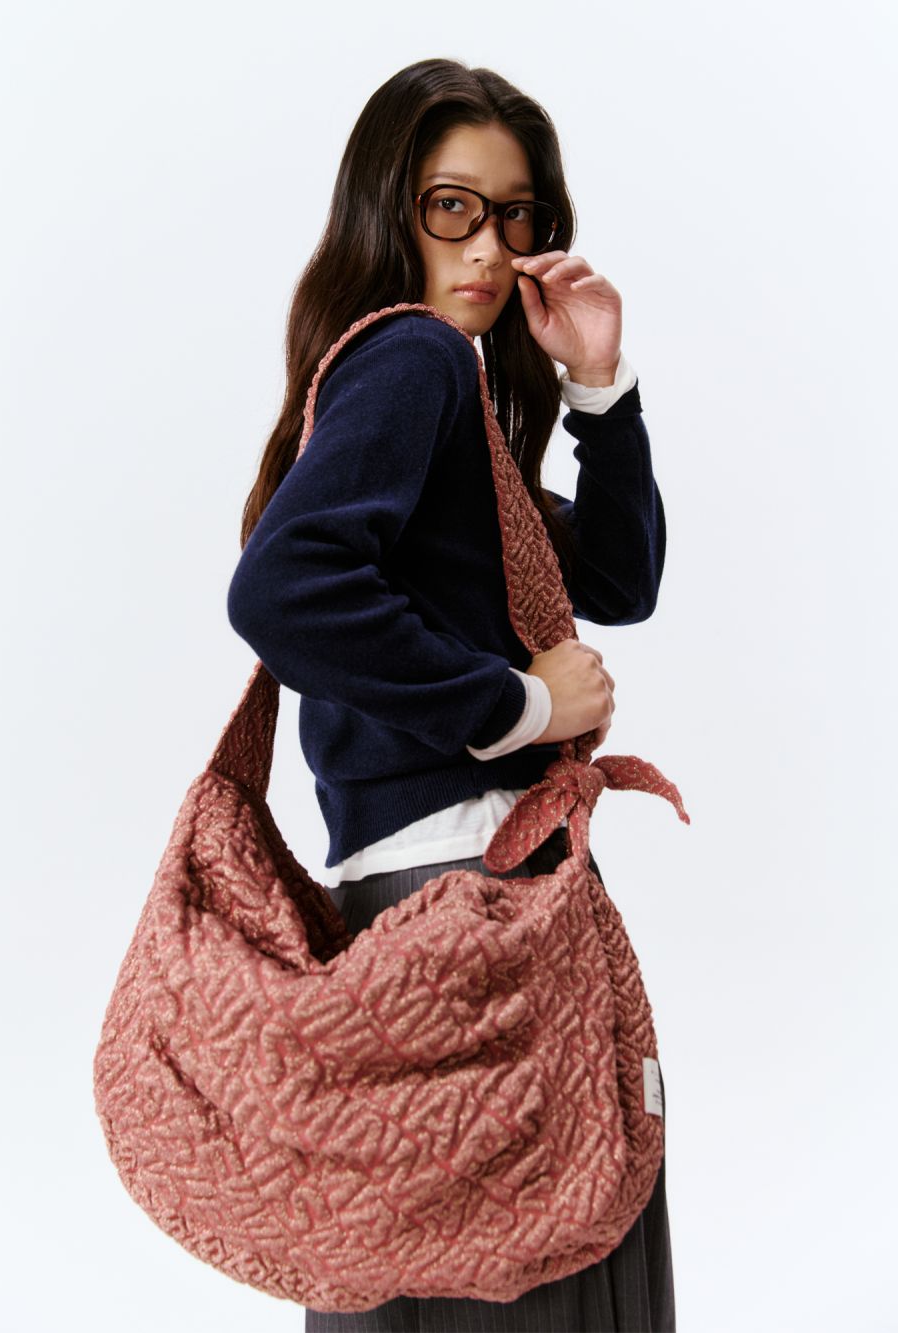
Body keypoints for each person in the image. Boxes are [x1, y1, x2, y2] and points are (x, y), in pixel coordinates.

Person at [226, 57, 675, 1333]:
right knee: (533, 1274)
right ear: (390, 210)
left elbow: (621, 580)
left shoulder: (448, 399)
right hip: (467, 903)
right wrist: (518, 708)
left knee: (434, 1276)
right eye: (451, 208)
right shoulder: (416, 357)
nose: (488, 246)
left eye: (516, 215)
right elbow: (282, 591)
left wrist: (597, 384)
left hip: (425, 908)